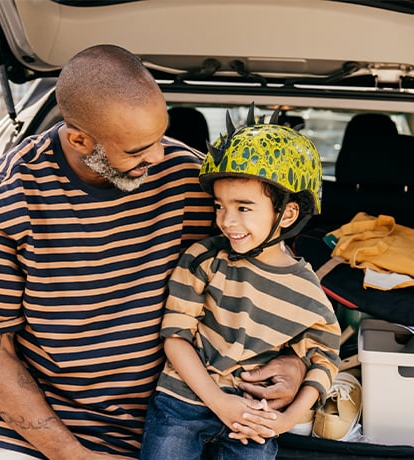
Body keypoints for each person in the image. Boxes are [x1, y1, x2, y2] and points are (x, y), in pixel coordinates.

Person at [0, 44, 307, 460]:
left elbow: (268, 275)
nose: (158, 157)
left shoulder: (190, 180)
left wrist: (294, 361)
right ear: (80, 139)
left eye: (160, 136)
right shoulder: (4, 198)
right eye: (137, 150)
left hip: (176, 419)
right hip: (39, 431)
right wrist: (73, 455)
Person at [139, 111, 342, 460]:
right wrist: (218, 402)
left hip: (254, 418)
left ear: (288, 214)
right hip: (182, 403)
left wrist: (284, 421)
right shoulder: (203, 259)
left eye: (243, 207)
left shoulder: (306, 291)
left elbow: (324, 359)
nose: (226, 221)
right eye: (219, 206)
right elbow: (176, 338)